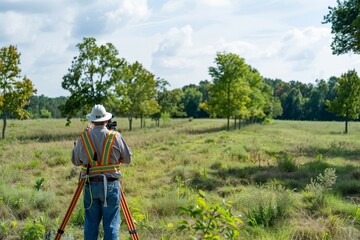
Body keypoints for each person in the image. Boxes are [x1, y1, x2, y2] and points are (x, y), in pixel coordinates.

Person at [71, 104, 132, 240]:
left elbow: (75, 161)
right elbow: (127, 159)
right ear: (106, 120)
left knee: (91, 225)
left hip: (90, 186)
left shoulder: (83, 137)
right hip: (110, 186)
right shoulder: (115, 136)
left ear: (92, 120)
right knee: (111, 225)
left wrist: (85, 136)